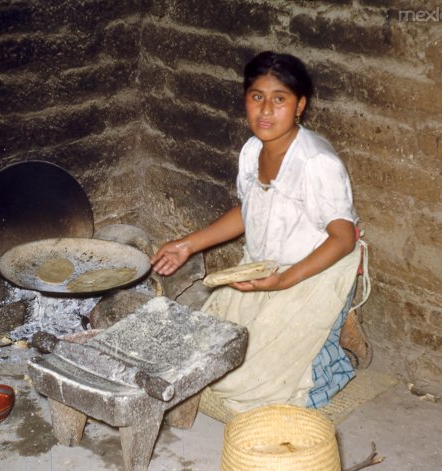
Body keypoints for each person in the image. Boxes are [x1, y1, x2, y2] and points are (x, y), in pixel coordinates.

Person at [150, 51, 365, 421]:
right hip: (263, 266)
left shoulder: (317, 164)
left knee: (256, 390)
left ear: (300, 105)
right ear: (245, 101)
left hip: (314, 269)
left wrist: (282, 282)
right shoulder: (253, 151)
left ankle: (335, 348)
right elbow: (248, 212)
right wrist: (187, 244)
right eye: (256, 97)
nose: (266, 111)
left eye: (279, 99)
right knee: (212, 359)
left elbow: (343, 240)